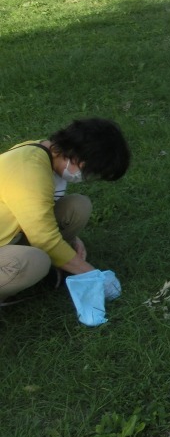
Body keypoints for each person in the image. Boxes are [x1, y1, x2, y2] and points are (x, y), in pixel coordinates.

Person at [0, 118, 131, 304]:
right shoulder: (29, 173)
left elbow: (37, 212)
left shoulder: (44, 151)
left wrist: (72, 241)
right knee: (34, 262)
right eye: (88, 171)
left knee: (77, 207)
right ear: (77, 157)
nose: (85, 177)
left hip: (8, 233)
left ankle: (55, 265)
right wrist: (94, 275)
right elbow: (45, 239)